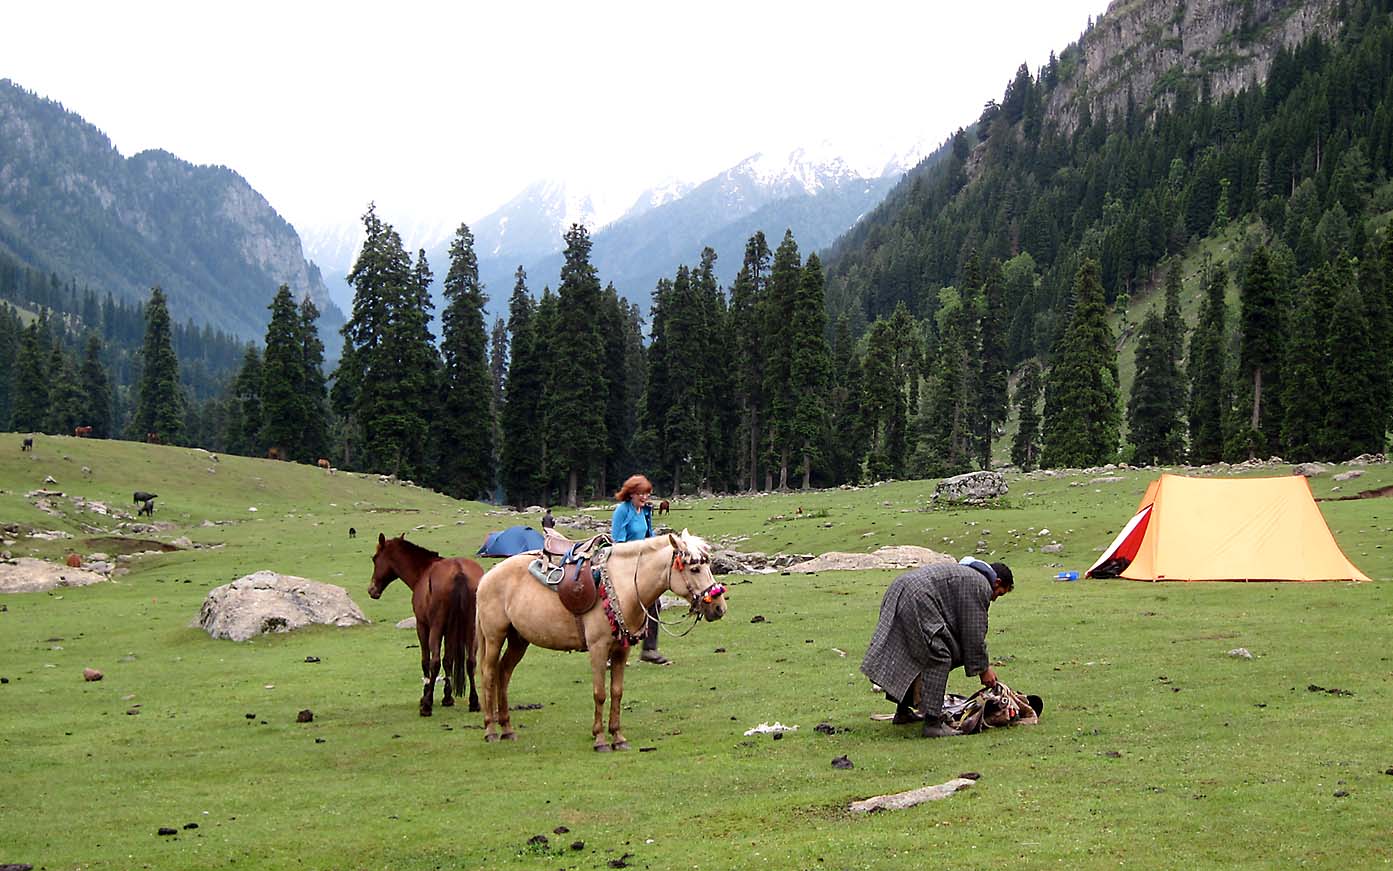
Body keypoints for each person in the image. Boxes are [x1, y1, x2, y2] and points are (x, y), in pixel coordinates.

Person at [860, 556, 1013, 737]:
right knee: (938, 655)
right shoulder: (980, 584)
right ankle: (932, 723)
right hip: (917, 597)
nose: (994, 598)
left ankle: (903, 711)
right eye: (999, 593)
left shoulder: (967, 575)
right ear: (997, 582)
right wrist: (983, 669)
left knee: (911, 653)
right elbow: (973, 630)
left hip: (900, 588)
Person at [611, 474, 669, 665]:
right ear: (630, 494)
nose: (644, 498)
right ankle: (613, 652)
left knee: (654, 603)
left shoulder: (645, 511)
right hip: (625, 564)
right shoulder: (622, 511)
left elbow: (649, 536)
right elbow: (617, 542)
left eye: (647, 494)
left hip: (643, 565)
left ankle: (649, 649)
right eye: (640, 494)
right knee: (621, 608)